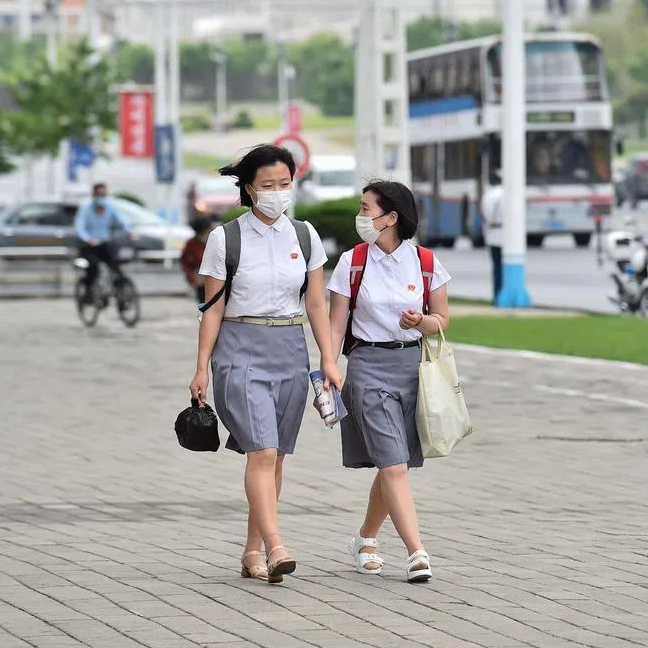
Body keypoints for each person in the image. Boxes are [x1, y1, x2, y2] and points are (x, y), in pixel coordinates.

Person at [189, 144, 343, 584]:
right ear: (249, 189)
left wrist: (327, 360)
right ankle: (277, 547)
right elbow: (213, 308)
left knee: (275, 459)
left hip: (290, 349)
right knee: (263, 450)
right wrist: (202, 367)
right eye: (268, 186)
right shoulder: (225, 239)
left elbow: (316, 302)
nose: (278, 193)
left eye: (285, 184)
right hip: (239, 349)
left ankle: (251, 551)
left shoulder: (305, 235)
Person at [327, 180, 452, 583]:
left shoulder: (427, 262)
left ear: (391, 217)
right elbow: (336, 323)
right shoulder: (353, 261)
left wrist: (422, 322)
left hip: (413, 368)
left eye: (366, 209)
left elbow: (442, 321)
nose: (360, 216)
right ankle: (417, 552)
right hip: (367, 366)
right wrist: (329, 367)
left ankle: (365, 539)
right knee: (394, 464)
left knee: (394, 464)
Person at [73, 183, 131, 303]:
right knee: (93, 268)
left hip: (104, 244)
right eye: (99, 194)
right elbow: (79, 227)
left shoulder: (109, 208)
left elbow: (121, 221)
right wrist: (87, 238)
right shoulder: (85, 209)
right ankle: (88, 294)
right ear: (93, 195)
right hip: (89, 245)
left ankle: (121, 297)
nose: (102, 197)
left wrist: (129, 231)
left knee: (116, 268)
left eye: (104, 194)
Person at [480, 170, 504, 300]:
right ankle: (501, 294)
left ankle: (497, 295)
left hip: (492, 234)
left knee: (496, 267)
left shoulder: (488, 194)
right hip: (506, 235)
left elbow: (485, 214)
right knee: (504, 268)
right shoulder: (507, 193)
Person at [180, 217, 213, 306]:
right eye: (209, 228)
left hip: (219, 280)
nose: (212, 229)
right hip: (201, 282)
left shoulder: (218, 240)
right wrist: (192, 277)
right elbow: (186, 263)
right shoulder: (192, 244)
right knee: (204, 306)